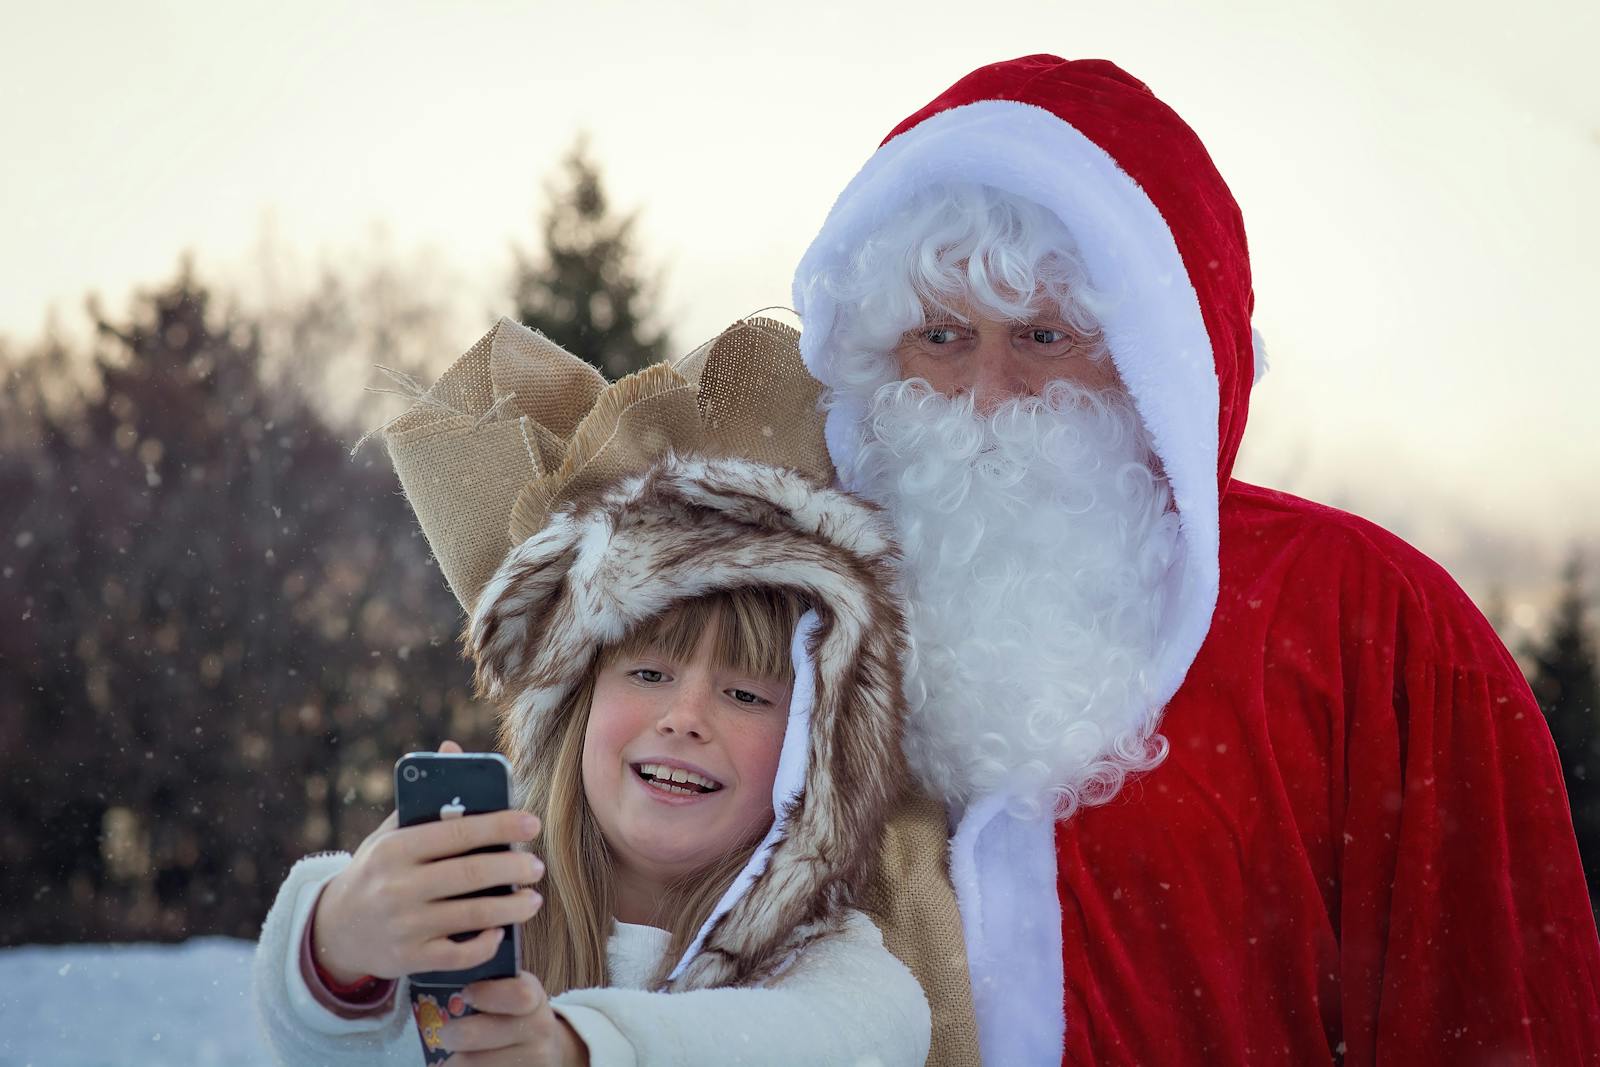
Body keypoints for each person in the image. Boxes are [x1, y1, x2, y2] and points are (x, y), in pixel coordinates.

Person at [790, 55, 1600, 1064]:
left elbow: (1492, 1013)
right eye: (943, 336)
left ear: (1151, 359)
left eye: (1045, 335)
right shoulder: (777, 616)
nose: (989, 394)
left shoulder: (1371, 622)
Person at [251, 319, 932, 1065]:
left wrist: (576, 1048)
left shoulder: (844, 975)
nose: (683, 718)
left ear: (815, 750)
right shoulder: (473, 916)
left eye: (745, 694)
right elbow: (331, 1042)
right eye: (647, 673)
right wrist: (339, 936)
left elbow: (819, 1042)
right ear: (576, 706)